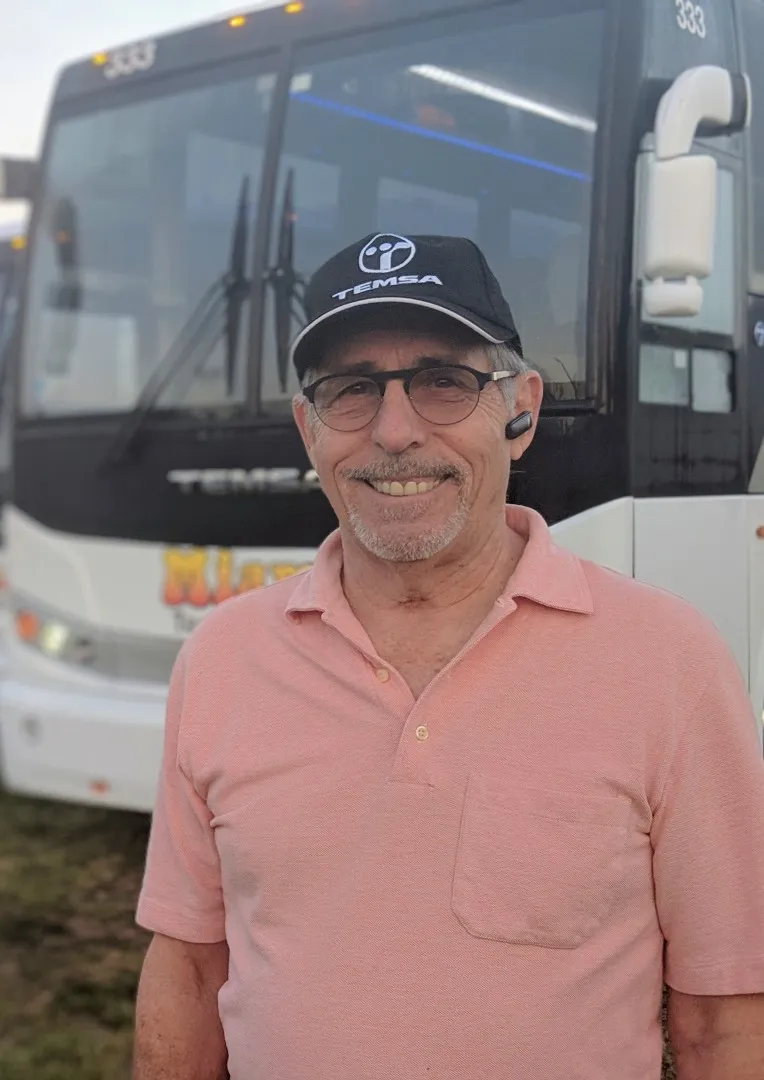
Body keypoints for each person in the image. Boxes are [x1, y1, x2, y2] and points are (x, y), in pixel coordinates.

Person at [132, 234, 764, 1080]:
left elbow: (725, 1012)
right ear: (307, 427)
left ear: (521, 410)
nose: (395, 432)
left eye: (443, 382)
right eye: (351, 390)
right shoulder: (221, 659)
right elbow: (190, 965)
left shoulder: (669, 661)